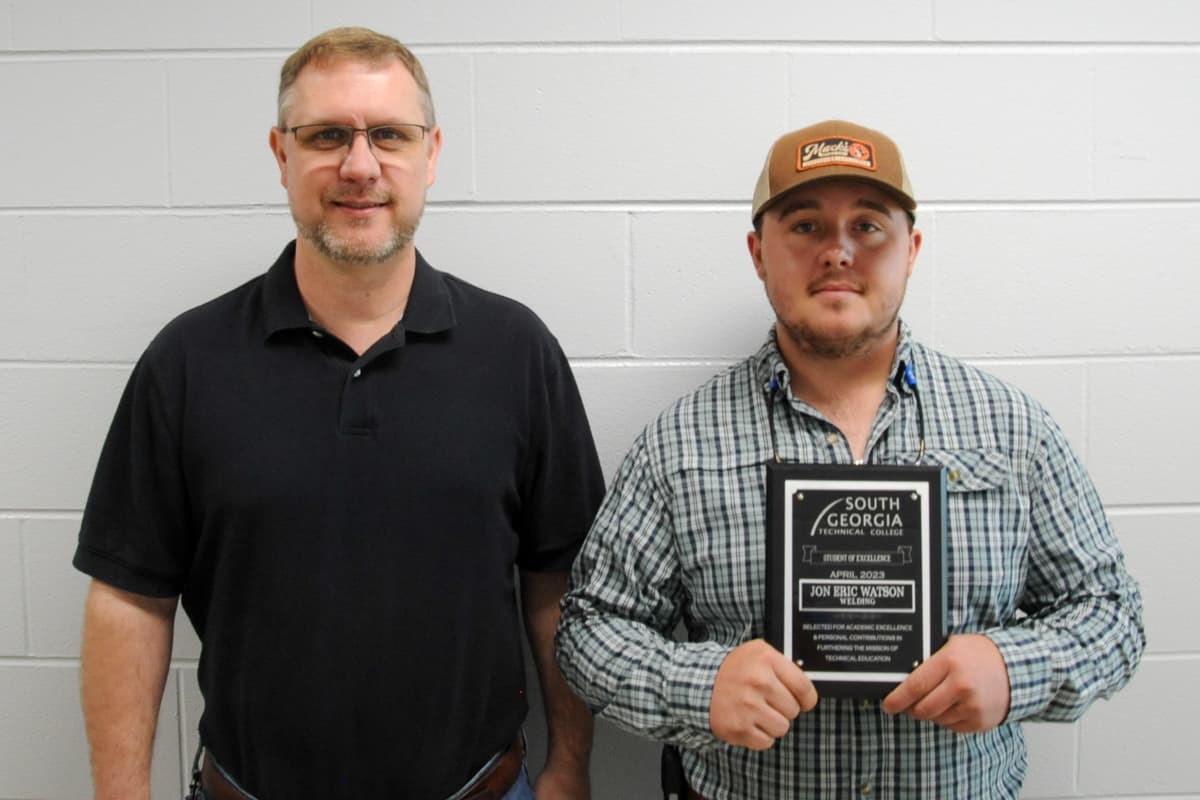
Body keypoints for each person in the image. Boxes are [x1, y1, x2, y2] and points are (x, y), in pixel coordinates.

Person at [74, 26, 603, 800]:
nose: (360, 166)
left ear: (431, 153)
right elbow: (130, 598)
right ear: (281, 153)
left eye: (389, 134)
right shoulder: (187, 361)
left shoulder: (517, 352)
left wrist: (570, 766)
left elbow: (560, 583)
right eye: (326, 136)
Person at [555, 119, 1144, 798]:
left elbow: (1112, 613)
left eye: (868, 226)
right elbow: (589, 629)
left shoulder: (1014, 430)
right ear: (758, 252)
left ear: (911, 250)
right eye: (806, 226)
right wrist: (698, 686)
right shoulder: (679, 444)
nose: (838, 252)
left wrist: (1015, 669)